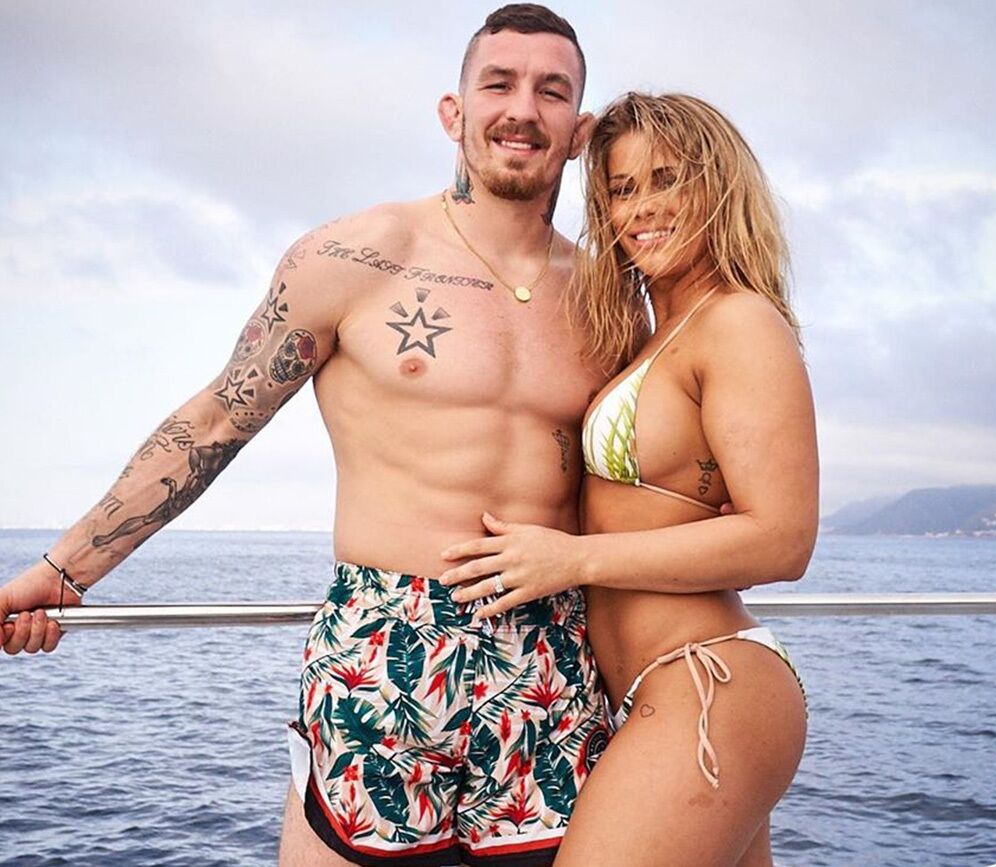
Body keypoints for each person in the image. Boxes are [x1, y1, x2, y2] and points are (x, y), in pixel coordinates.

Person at [0, 6, 613, 866]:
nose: (523, 109)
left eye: (552, 91)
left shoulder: (606, 295)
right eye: (499, 84)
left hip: (553, 656)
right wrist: (64, 570)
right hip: (387, 644)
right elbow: (218, 418)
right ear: (454, 111)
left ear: (579, 129)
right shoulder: (355, 256)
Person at [438, 92, 818, 866]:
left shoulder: (738, 321)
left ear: (718, 187)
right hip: (654, 693)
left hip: (706, 682)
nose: (641, 208)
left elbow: (784, 539)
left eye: (666, 180)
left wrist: (572, 559)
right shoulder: (656, 335)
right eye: (621, 188)